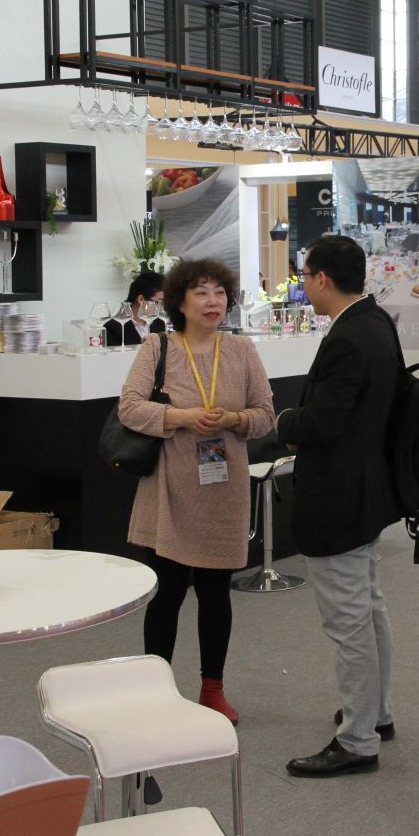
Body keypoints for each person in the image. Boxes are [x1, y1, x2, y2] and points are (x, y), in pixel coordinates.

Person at [117, 258, 275, 724]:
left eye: (219, 292)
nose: (213, 301)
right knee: (166, 594)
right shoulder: (158, 346)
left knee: (215, 593)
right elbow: (129, 408)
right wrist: (183, 418)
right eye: (201, 292)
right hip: (169, 487)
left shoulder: (241, 349)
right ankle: (157, 690)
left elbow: (266, 414)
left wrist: (235, 420)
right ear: (180, 302)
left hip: (223, 489)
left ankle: (212, 688)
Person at [276, 235, 401, 778]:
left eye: (305, 276)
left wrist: (283, 422)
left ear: (323, 278)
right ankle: (376, 713)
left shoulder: (350, 336)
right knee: (368, 606)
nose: (304, 284)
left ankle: (357, 740)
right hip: (367, 489)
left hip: (339, 495)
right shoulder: (375, 322)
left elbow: (323, 422)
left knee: (350, 620)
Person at [105, 270, 167, 347]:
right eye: (158, 302)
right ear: (141, 299)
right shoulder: (113, 328)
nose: (161, 307)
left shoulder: (161, 324)